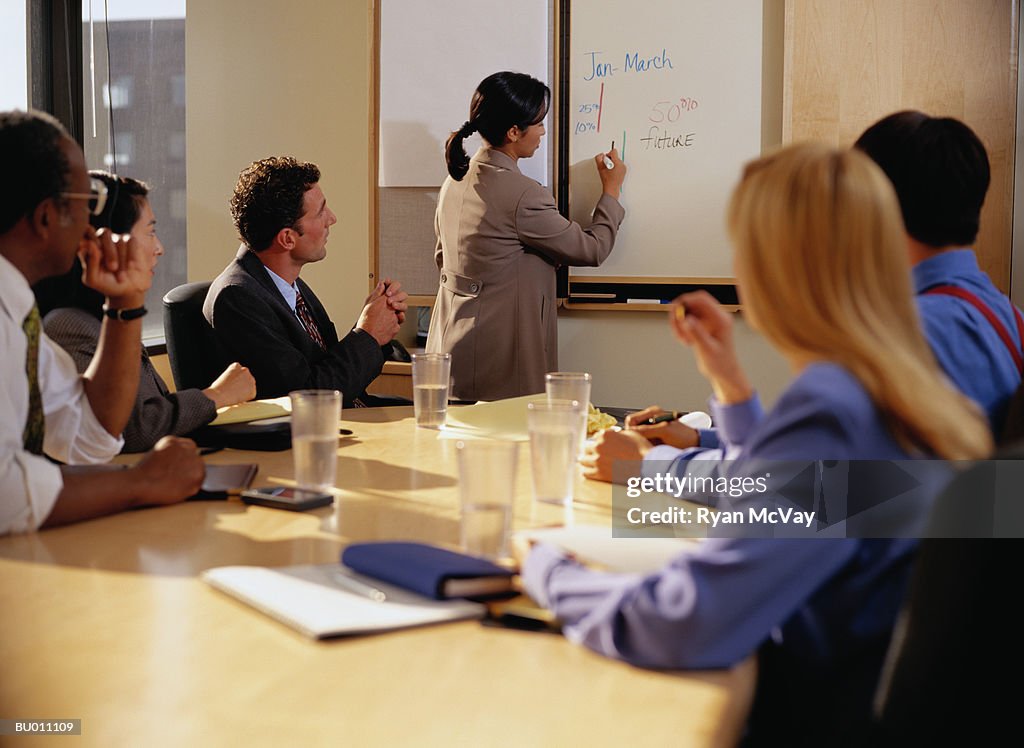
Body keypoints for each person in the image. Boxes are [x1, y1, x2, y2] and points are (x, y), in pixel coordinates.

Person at [520, 143, 992, 744]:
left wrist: (546, 570)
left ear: (779, 267)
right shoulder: (902, 384)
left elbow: (684, 623)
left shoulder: (835, 405)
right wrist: (730, 386)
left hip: (809, 711)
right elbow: (806, 495)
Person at [633, 110, 1022, 448]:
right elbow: (836, 464)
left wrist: (650, 470)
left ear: (871, 205)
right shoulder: (1005, 317)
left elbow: (811, 490)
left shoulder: (904, 337)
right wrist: (711, 424)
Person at [0, 109, 203, 535]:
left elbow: (89, 435)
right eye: (86, 202)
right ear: (44, 217)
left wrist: (124, 303)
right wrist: (143, 481)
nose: (94, 225)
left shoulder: (18, 316)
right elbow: (6, 494)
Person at [426, 71, 626, 401]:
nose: (544, 131)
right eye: (539, 123)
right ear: (514, 131)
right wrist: (611, 191)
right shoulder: (523, 195)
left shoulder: (454, 182)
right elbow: (592, 249)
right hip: (500, 365)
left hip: (451, 354)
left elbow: (443, 258)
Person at [34, 171, 256, 453]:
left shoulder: (107, 318)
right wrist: (216, 395)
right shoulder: (69, 325)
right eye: (150, 232)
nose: (159, 248)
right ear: (108, 241)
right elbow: (134, 431)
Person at [204, 156, 408, 407]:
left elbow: (330, 369)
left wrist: (376, 327)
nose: (332, 218)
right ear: (288, 239)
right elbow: (308, 397)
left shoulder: (285, 284)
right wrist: (368, 335)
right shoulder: (237, 298)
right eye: (321, 212)